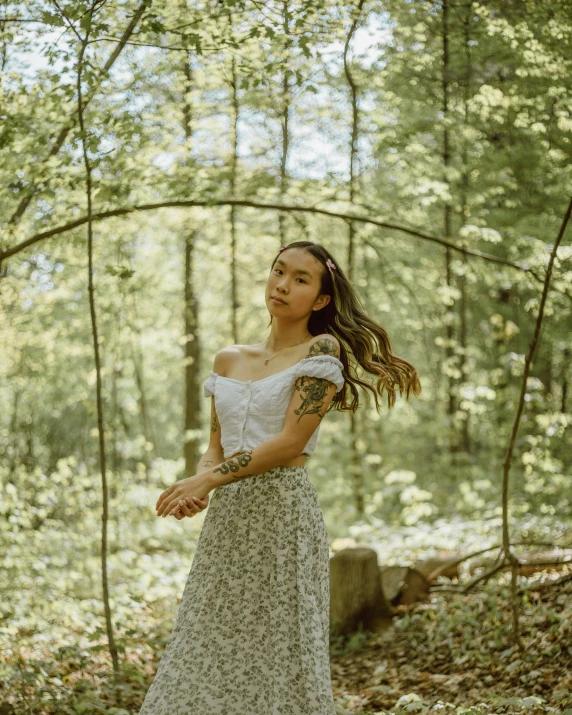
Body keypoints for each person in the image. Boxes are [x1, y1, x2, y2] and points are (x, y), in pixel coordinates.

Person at [138, 241, 421, 715]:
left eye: (301, 279)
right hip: (227, 520)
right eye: (278, 271)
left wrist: (207, 482)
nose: (283, 285)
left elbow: (291, 442)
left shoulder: (320, 350)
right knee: (207, 642)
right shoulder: (228, 359)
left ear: (322, 300)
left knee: (279, 650)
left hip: (283, 515)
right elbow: (216, 446)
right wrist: (199, 486)